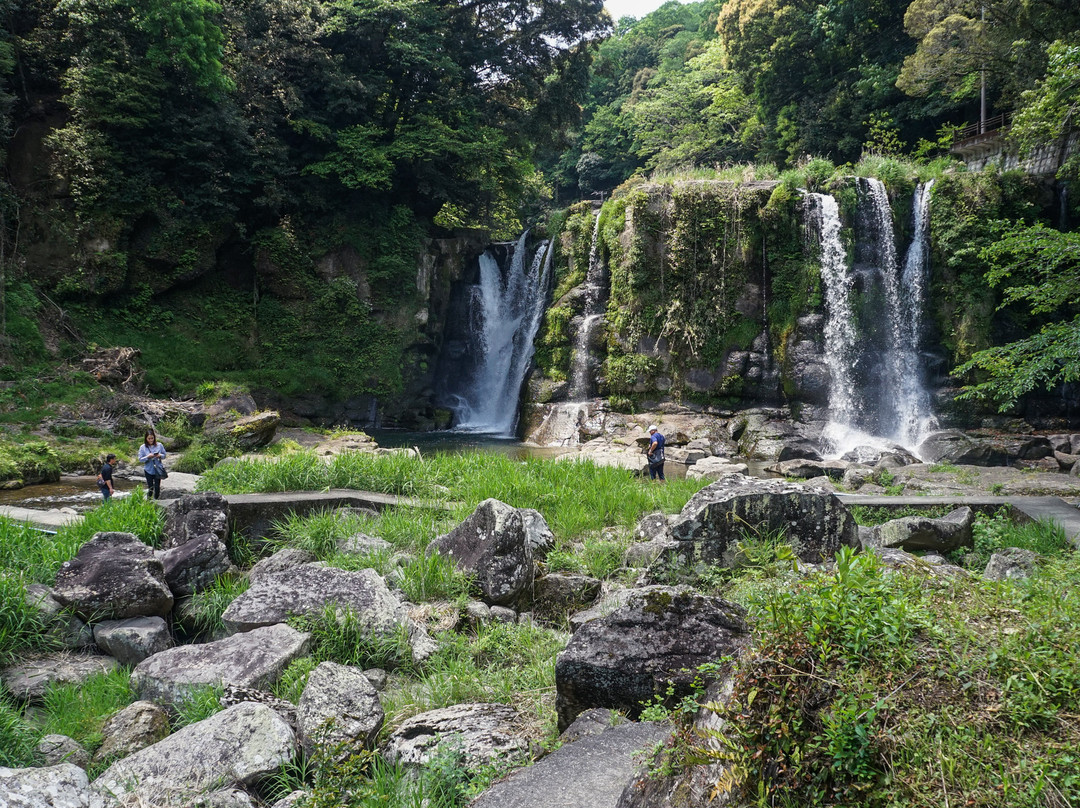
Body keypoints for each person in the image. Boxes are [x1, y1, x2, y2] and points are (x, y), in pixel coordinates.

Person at [137, 429, 166, 500]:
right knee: (150, 487)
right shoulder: (143, 447)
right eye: (149, 438)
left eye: (152, 438)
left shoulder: (159, 445)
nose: (151, 440)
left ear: (154, 437)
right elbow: (140, 459)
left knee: (157, 486)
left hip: (158, 469)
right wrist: (147, 457)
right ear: (146, 438)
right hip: (148, 469)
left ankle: (156, 501)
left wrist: (160, 455)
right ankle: (149, 501)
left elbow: (164, 455)